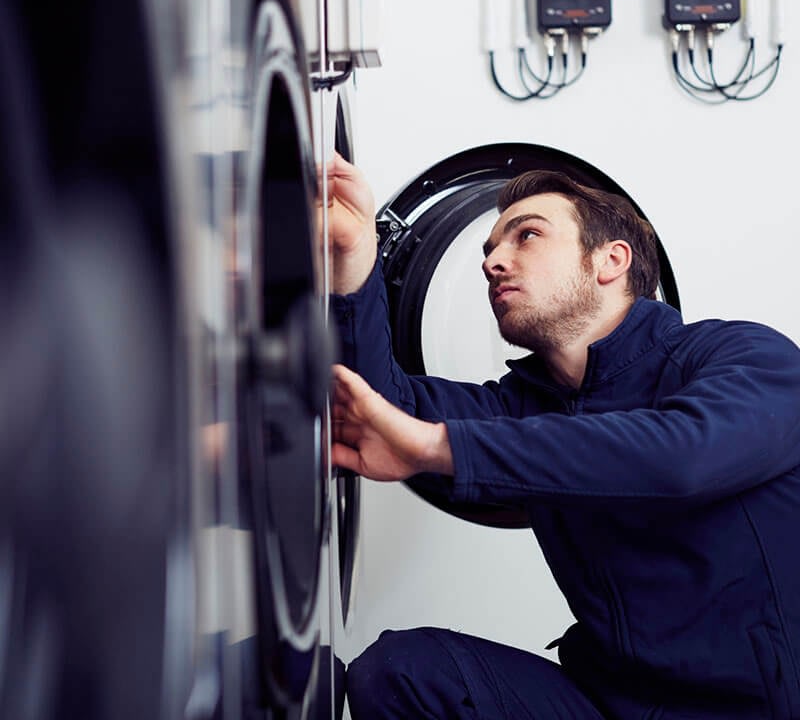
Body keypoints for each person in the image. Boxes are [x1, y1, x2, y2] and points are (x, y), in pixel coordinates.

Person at [324, 152, 800, 720]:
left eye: (526, 236)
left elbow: (680, 458)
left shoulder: (745, 357)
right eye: (489, 250)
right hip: (612, 705)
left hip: (753, 710)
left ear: (611, 261)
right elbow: (379, 414)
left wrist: (437, 446)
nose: (493, 262)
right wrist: (353, 256)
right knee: (404, 673)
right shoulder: (522, 408)